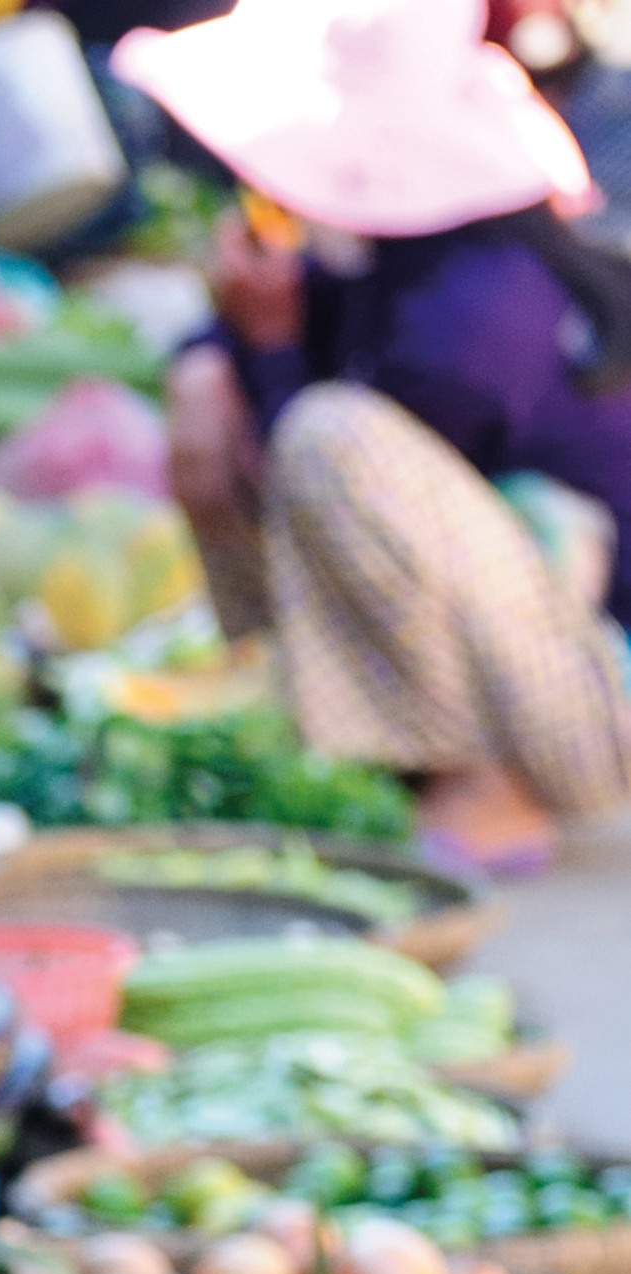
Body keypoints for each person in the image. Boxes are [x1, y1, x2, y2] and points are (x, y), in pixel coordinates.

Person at [128, 0, 631, 872]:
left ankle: (485, 784)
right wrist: (212, 357)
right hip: (545, 651)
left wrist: (275, 343)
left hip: (589, 704)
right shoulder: (401, 263)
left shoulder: (471, 320)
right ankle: (301, 708)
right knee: (255, 410)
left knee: (327, 438)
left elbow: (327, 493)